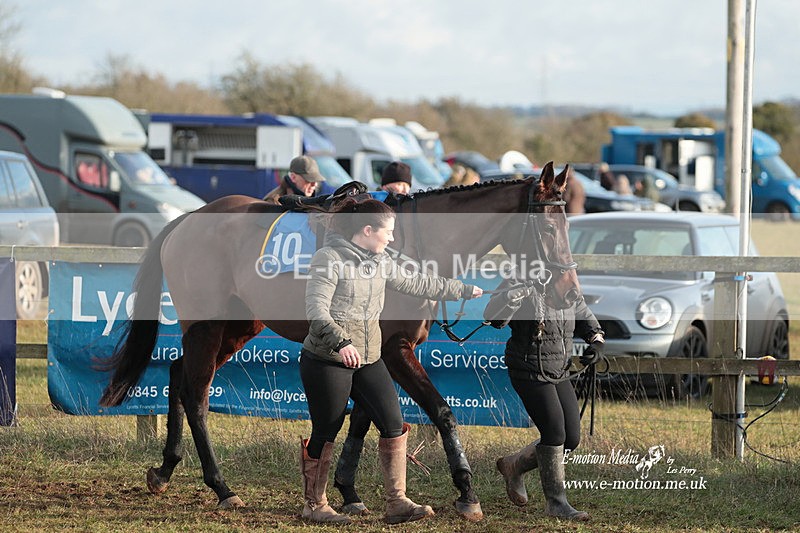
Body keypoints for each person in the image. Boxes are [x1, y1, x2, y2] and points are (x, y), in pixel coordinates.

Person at [300, 197, 483, 524]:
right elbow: (316, 312)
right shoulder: (327, 259)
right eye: (388, 231)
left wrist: (463, 290)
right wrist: (341, 342)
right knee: (326, 430)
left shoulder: (380, 260)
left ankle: (396, 503)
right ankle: (314, 505)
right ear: (367, 230)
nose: (392, 238)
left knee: (393, 424)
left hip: (368, 359)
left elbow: (419, 282)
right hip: (328, 358)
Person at [483, 278, 604, 521]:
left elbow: (582, 312)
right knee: (555, 434)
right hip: (529, 369)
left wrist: (597, 340)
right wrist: (511, 297)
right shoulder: (519, 280)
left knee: (570, 439)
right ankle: (557, 504)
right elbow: (494, 318)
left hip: (559, 370)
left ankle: (513, 465)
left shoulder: (565, 282)